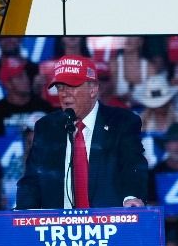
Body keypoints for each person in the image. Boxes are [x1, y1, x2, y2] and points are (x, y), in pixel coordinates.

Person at [16, 56, 149, 209]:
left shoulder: (122, 122)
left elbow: (133, 165)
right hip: (58, 227)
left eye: (71, 86)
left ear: (93, 89)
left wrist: (131, 197)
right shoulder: (46, 127)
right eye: (60, 87)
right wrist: (23, 216)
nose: (64, 93)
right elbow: (32, 180)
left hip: (108, 226)